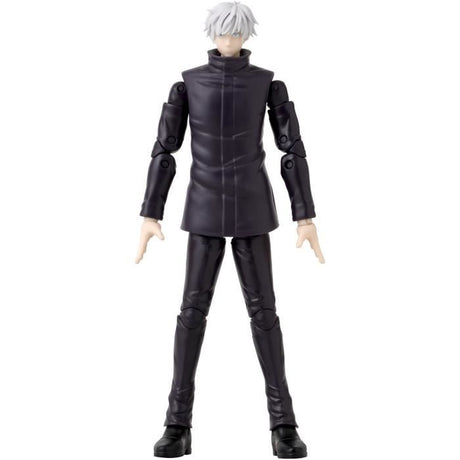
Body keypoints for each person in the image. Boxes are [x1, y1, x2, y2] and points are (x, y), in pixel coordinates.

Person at [135, 2, 324, 457]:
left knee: (265, 315)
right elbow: (164, 151)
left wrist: (304, 216)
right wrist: (150, 214)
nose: (229, 40)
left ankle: (284, 424)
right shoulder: (188, 84)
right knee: (190, 314)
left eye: (236, 33)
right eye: (222, 33)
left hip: (252, 208)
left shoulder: (267, 84)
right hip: (203, 207)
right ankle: (177, 424)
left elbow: (292, 150)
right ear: (212, 35)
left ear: (246, 36)